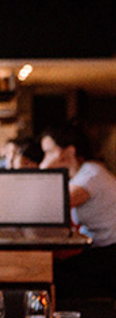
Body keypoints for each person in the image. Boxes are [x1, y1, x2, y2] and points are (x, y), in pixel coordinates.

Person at [40, 122, 116, 299]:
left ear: (69, 152)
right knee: (50, 267)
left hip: (110, 255)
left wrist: (43, 168)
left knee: (50, 273)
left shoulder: (90, 175)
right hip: (101, 251)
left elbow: (51, 209)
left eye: (49, 152)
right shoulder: (84, 174)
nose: (46, 158)